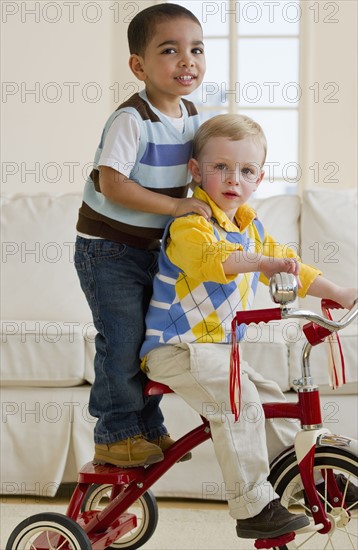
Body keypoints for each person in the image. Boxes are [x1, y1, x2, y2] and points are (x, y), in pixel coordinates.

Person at [140, 114, 358, 539]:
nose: (233, 179)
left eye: (246, 170)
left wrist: (338, 291)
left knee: (273, 397)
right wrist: (265, 263)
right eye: (220, 167)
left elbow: (292, 265)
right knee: (238, 403)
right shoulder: (191, 224)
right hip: (176, 347)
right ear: (196, 171)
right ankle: (253, 505)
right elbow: (217, 260)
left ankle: (301, 480)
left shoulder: (249, 226)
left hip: (220, 352)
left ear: (258, 179)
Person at [74, 3, 211, 468]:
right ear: (139, 66)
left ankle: (148, 428)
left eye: (195, 49)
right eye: (170, 50)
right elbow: (113, 182)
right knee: (122, 337)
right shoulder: (132, 119)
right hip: (107, 249)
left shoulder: (191, 115)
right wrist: (175, 206)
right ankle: (115, 434)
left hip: (152, 249)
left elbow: (198, 176)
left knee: (150, 340)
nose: (186, 61)